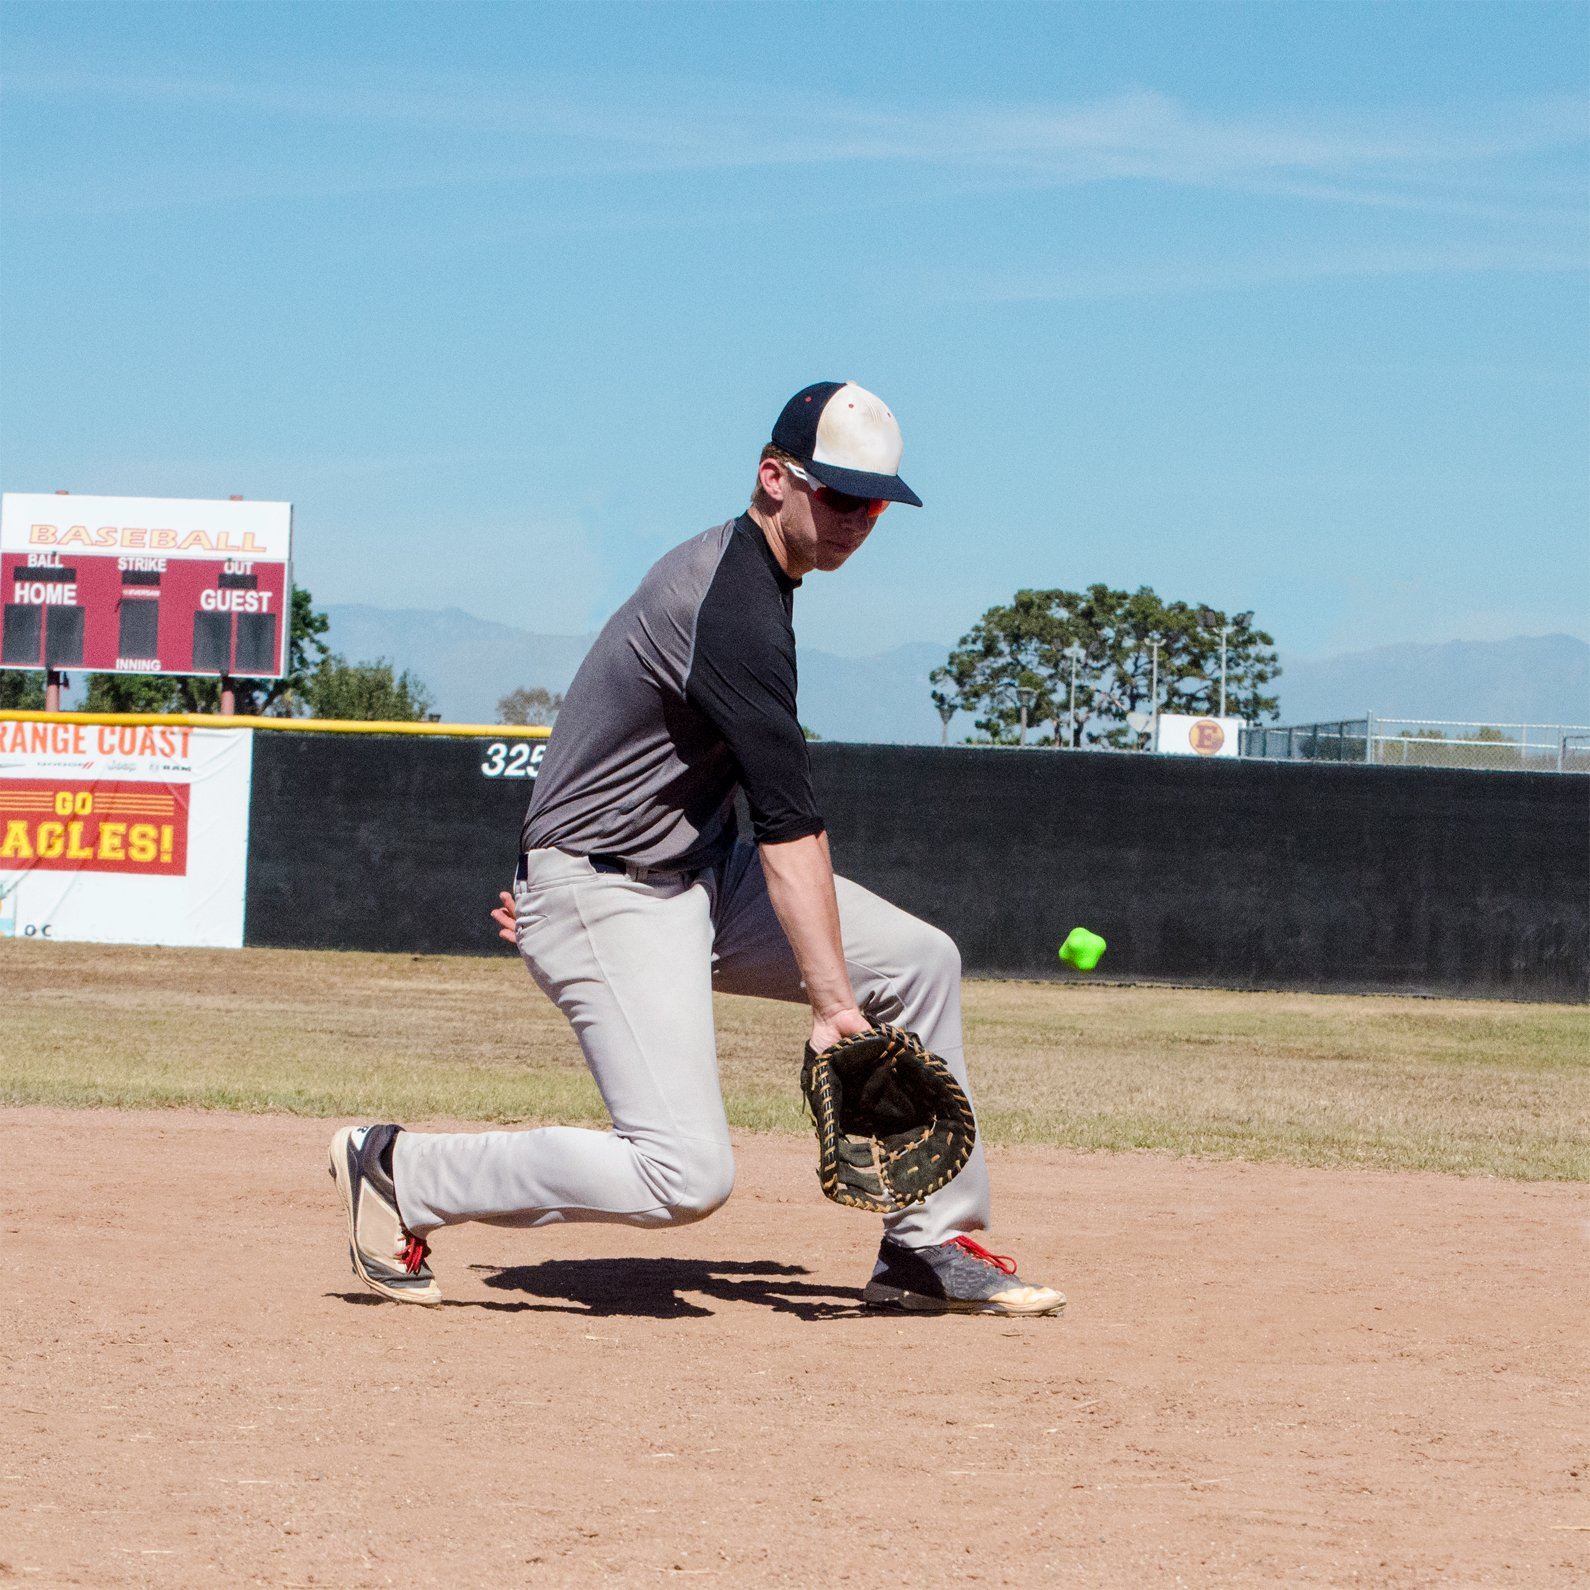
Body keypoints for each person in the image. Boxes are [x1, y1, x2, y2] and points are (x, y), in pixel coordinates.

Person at [329, 381, 1065, 1317]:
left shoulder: (758, 581)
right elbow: (788, 820)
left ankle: (923, 1245)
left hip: (694, 876)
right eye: (840, 496)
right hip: (610, 891)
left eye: (876, 505)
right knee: (682, 1175)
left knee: (922, 962)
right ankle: (402, 1170)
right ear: (774, 478)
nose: (859, 521)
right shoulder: (729, 603)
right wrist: (832, 1002)